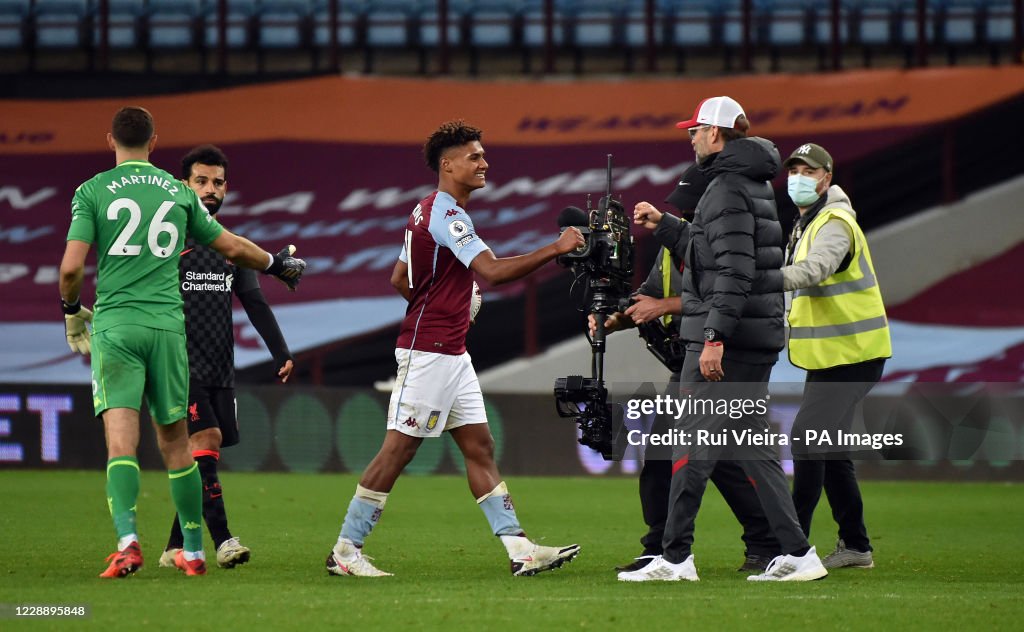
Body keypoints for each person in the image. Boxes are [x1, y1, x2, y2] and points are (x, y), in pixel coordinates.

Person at [325, 120, 585, 578]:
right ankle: (346, 551)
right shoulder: (448, 215)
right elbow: (495, 272)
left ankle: (520, 548)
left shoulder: (423, 211)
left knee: (480, 447)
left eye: (483, 155)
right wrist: (557, 248)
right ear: (448, 165)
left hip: (451, 351)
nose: (485, 163)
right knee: (397, 451)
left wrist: (441, 304)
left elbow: (399, 279)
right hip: (428, 353)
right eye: (475, 156)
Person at [59, 106, 306, 578]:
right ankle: (193, 549)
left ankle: (129, 543)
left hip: (117, 327)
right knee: (179, 445)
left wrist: (72, 314)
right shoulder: (177, 194)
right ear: (154, 143)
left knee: (121, 443)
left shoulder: (91, 191)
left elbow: (71, 269)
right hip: (170, 332)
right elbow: (232, 246)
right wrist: (276, 264)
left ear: (110, 140)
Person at [618, 96, 827, 583]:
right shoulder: (747, 184)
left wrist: (713, 336)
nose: (690, 138)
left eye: (695, 130)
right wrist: (668, 226)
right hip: (752, 337)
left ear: (715, 134)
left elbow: (733, 270)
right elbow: (713, 252)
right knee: (754, 447)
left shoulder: (726, 186)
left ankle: (675, 558)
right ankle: (797, 553)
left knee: (691, 442)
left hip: (727, 342)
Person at [593, 163, 781, 574]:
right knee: (701, 456)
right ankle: (676, 544)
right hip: (691, 363)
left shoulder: (726, 243)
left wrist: (665, 307)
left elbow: (737, 293)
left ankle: (676, 548)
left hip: (725, 357)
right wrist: (615, 318)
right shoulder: (669, 248)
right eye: (683, 210)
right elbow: (646, 296)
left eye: (692, 209)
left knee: (710, 455)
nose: (686, 216)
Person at [157, 145, 295, 571]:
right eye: (201, 180)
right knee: (206, 440)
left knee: (202, 456)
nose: (210, 189)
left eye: (217, 182)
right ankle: (223, 541)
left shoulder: (229, 245)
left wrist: (281, 352)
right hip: (178, 364)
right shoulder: (167, 239)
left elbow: (253, 301)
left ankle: (171, 547)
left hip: (220, 365)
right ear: (184, 184)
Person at [781, 142, 892, 569]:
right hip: (835, 355)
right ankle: (856, 546)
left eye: (808, 171)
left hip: (852, 355)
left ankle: (792, 547)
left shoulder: (834, 221)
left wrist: (758, 279)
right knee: (829, 449)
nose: (798, 178)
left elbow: (816, 270)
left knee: (807, 439)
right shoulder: (809, 219)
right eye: (793, 170)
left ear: (826, 177)